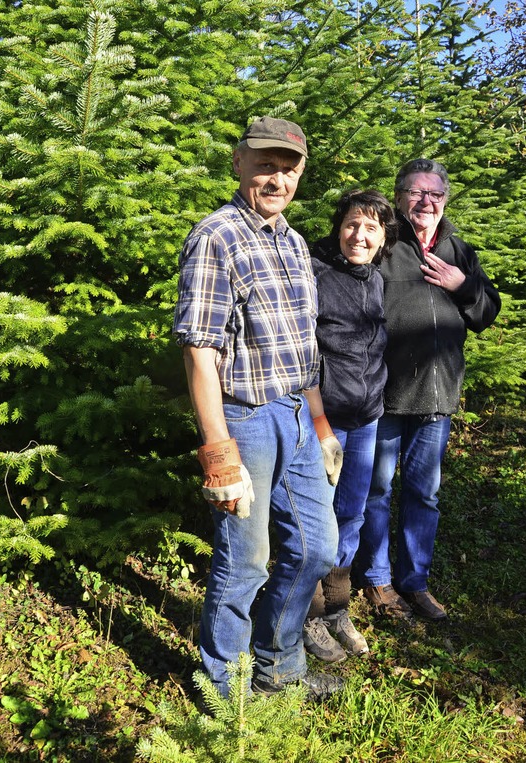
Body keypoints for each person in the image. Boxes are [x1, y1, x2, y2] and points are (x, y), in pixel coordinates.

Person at [173, 116, 344, 699]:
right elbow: (200, 351)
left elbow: (305, 347)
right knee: (244, 563)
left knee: (318, 548)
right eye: (265, 164)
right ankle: (224, 689)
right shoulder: (215, 236)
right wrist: (218, 455)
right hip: (244, 420)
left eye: (289, 168)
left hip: (297, 412)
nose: (277, 178)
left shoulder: (294, 243)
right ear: (239, 163)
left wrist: (321, 426)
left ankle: (278, 664)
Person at [359, 158, 501, 621]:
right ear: (399, 197)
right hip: (385, 394)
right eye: (417, 193)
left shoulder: (459, 250)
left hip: (438, 398)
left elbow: (485, 314)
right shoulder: (385, 244)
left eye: (436, 194)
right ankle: (377, 581)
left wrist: (464, 287)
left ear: (445, 199)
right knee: (377, 491)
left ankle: (414, 582)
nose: (427, 202)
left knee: (424, 493)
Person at [301, 190, 398, 663]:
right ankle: (308, 613)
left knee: (353, 513)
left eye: (371, 228)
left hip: (367, 419)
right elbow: (303, 351)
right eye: (352, 225)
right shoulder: (315, 272)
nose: (359, 235)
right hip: (325, 419)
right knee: (316, 518)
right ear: (339, 227)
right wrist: (318, 421)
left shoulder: (377, 280)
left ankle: (338, 607)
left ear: (383, 238)